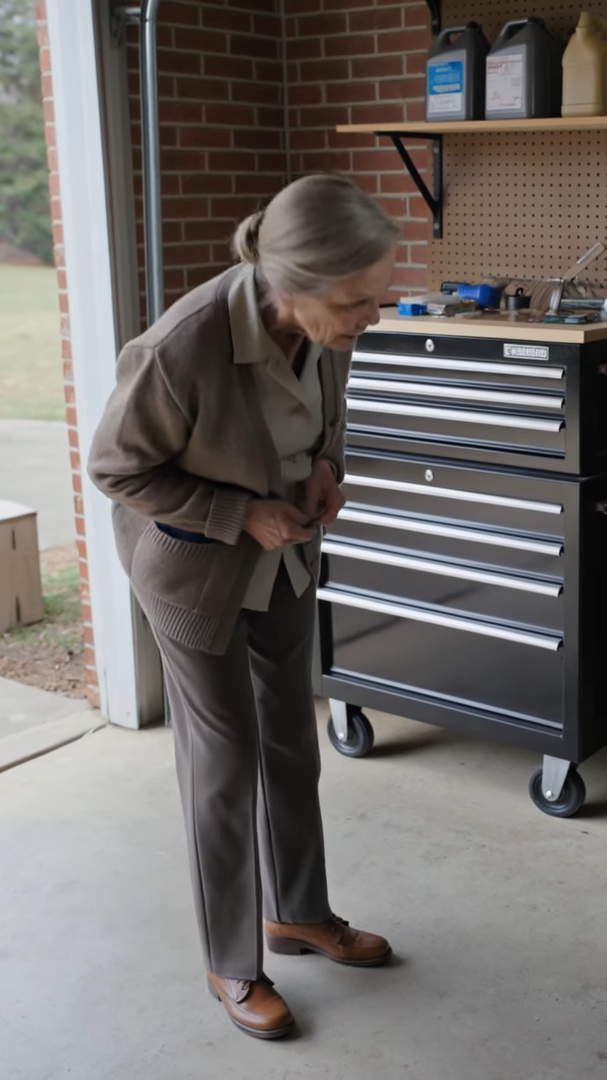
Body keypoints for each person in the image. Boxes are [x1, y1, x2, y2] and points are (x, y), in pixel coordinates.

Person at [88, 174, 399, 1040]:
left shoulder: (323, 321)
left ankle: (298, 910)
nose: (369, 317)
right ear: (291, 287)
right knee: (223, 766)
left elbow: (320, 414)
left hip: (284, 558)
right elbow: (117, 471)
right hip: (194, 573)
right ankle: (231, 962)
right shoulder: (178, 351)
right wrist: (240, 514)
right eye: (356, 302)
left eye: (378, 296)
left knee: (292, 739)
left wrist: (327, 466)